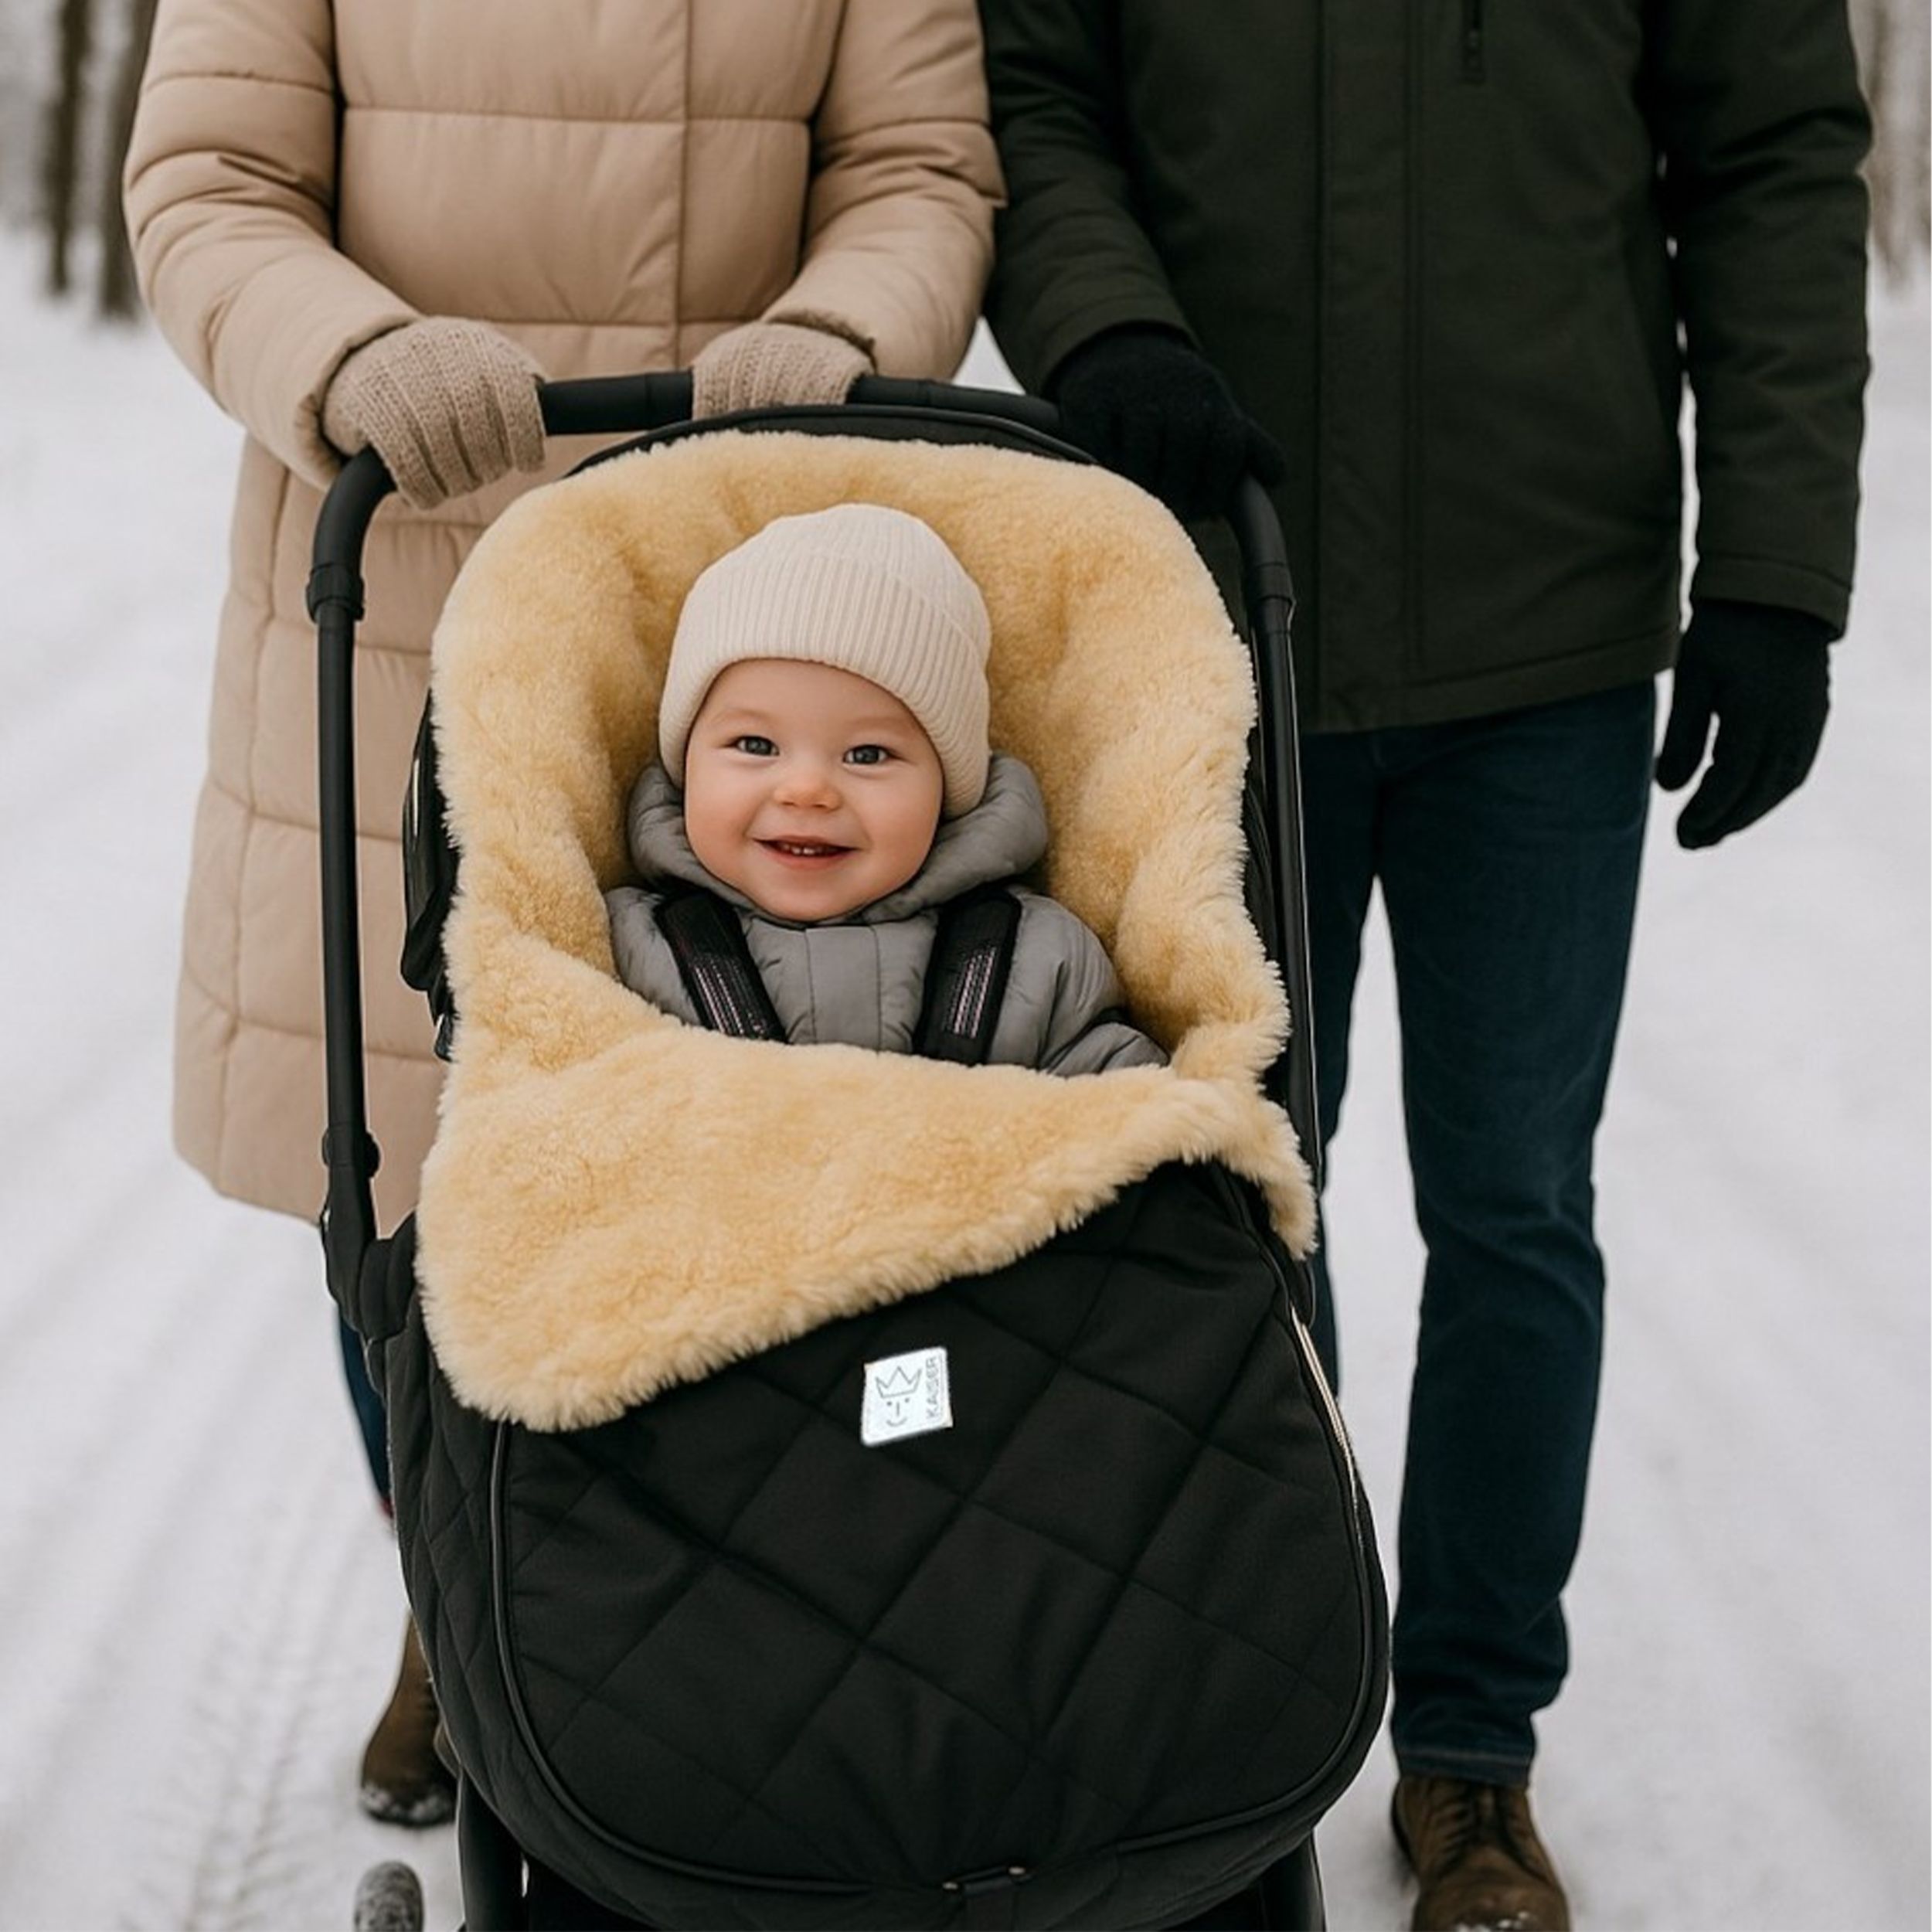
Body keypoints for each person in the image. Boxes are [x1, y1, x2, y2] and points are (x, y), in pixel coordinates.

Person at [975, 2, 1870, 1927]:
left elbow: (1776, 153)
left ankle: (1471, 1756)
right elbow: (1032, 87)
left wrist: (1780, 571)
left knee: (1515, 1204)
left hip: (1542, 637)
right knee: (1221, 1204)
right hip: (1213, 604)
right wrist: (1105, 326)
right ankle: (1241, 1728)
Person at [123, 0, 1001, 1828]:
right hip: (399, 576)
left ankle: (697, 1619)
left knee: (734, 1146)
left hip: (739, 599)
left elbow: (917, 167)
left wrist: (844, 323)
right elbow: (210, 181)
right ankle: (463, 1601)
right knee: (400, 1160)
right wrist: (349, 348)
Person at [606, 503, 1166, 1076]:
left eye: (868, 755)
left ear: (946, 790)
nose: (806, 790)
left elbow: (1135, 1118)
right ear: (686, 765)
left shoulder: (1037, 958)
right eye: (755, 745)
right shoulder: (626, 948)